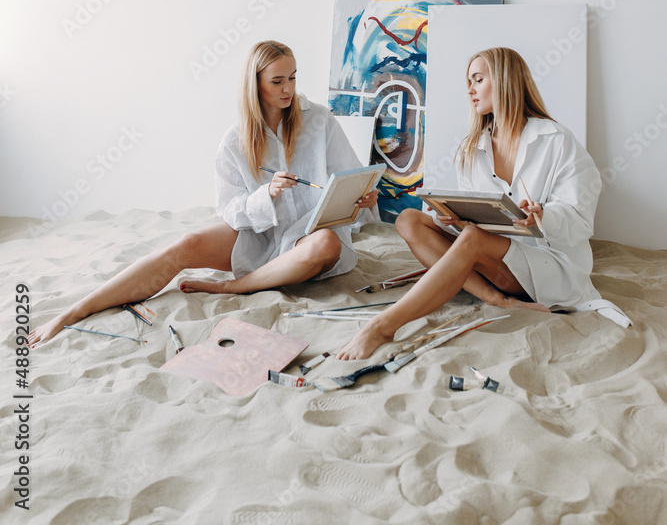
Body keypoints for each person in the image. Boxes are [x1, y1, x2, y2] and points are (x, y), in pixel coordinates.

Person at [29, 40, 379, 345]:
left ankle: (235, 287)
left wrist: (363, 199)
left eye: (292, 77)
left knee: (327, 244)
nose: (288, 89)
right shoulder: (235, 140)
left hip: (308, 240)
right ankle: (73, 312)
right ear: (254, 84)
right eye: (277, 81)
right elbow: (230, 211)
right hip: (260, 237)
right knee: (185, 245)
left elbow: (350, 177)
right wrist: (266, 195)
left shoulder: (319, 120)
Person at [337, 46, 630, 361]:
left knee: (473, 239)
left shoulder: (557, 141)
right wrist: (452, 218)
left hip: (551, 267)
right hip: (498, 264)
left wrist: (543, 216)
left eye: (477, 80)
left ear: (504, 81)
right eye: (469, 82)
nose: (470, 90)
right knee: (408, 220)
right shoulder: (472, 146)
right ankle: (495, 298)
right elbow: (475, 221)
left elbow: (581, 222)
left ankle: (383, 326)